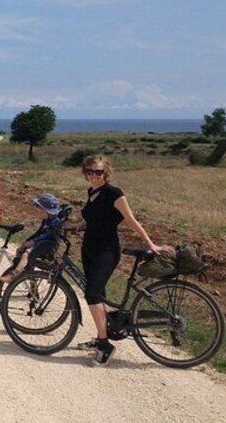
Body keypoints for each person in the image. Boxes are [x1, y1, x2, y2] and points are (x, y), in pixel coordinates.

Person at [76, 154, 170, 366]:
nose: (93, 176)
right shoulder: (92, 192)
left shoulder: (114, 193)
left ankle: (104, 344)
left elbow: (131, 220)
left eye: (98, 172)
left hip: (107, 250)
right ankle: (103, 333)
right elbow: (95, 217)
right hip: (89, 248)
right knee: (98, 293)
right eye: (90, 171)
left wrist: (150, 244)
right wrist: (79, 225)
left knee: (92, 293)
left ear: (106, 172)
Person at [0, 193, 64, 284]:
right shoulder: (46, 220)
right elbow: (38, 232)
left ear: (48, 211)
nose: (40, 213)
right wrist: (28, 241)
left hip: (48, 246)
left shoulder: (56, 222)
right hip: (40, 244)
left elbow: (48, 235)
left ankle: (13, 276)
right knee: (20, 252)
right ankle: (32, 285)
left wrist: (33, 242)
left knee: (26, 255)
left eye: (42, 211)